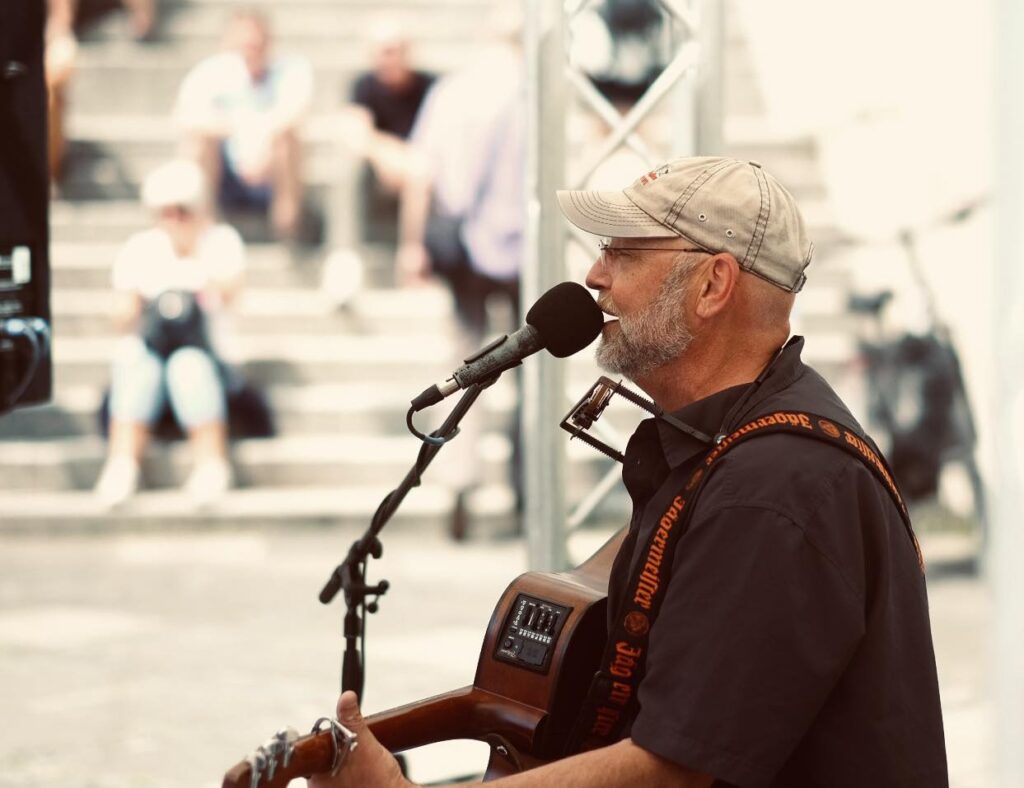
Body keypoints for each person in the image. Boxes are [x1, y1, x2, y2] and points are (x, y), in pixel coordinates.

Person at [308, 157, 949, 786]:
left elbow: (674, 769)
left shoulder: (772, 488)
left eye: (624, 253)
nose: (594, 276)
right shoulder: (726, 446)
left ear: (712, 286)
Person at [395, 28, 525, 539]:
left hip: (465, 245)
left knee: (463, 366)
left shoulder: (452, 92)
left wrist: (412, 242)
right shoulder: (534, 94)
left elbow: (421, 171)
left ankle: (459, 482)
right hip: (521, 250)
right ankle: (524, 487)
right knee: (530, 371)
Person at [94, 160, 245, 509]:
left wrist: (195, 268)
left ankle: (211, 464)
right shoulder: (141, 248)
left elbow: (233, 295)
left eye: (183, 211)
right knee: (138, 363)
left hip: (207, 358)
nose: (174, 220)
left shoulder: (220, 242)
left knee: (187, 365)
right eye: (166, 212)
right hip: (150, 356)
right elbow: (121, 316)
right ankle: (123, 464)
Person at [173, 10, 313, 240]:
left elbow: (297, 112)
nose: (251, 51)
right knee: (198, 143)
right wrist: (235, 130)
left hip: (271, 169)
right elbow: (185, 116)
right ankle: (204, 227)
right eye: (245, 44)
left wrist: (261, 140)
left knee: (289, 139)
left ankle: (287, 228)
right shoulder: (211, 74)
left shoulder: (290, 70)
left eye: (256, 44)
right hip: (225, 168)